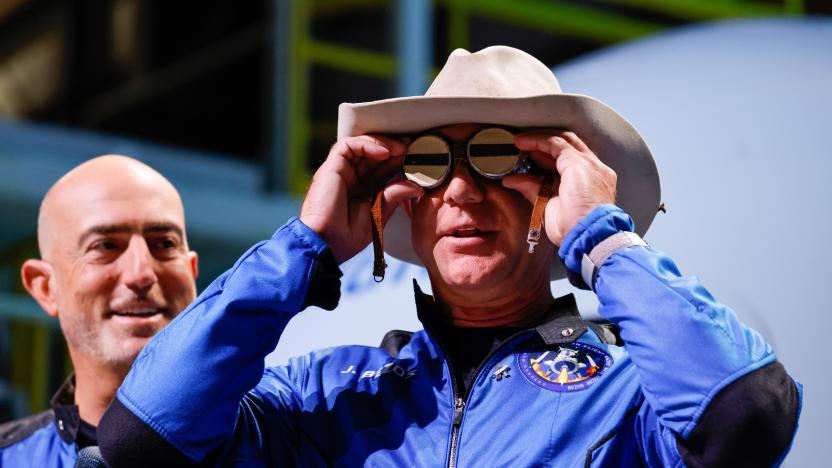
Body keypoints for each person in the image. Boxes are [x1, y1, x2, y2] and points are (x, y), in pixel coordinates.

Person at [99, 46, 801, 466]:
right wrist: (301, 248)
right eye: (431, 163)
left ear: (553, 188)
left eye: (499, 157)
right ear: (405, 199)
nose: (463, 188)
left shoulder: (632, 398)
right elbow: (143, 443)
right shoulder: (323, 399)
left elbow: (749, 418)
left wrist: (601, 238)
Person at [0, 155, 199, 466]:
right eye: (106, 246)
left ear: (192, 271)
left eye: (163, 244)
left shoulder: (279, 440)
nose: (141, 273)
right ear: (45, 287)